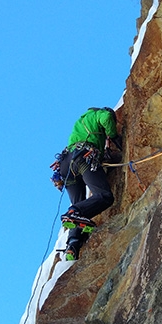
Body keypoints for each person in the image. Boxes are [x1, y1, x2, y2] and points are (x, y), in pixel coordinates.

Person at [56, 107, 122, 260]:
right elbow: (105, 117)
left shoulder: (79, 124)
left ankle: (73, 244)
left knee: (80, 202)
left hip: (66, 166)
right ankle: (74, 212)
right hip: (83, 158)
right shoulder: (95, 115)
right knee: (104, 196)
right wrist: (113, 135)